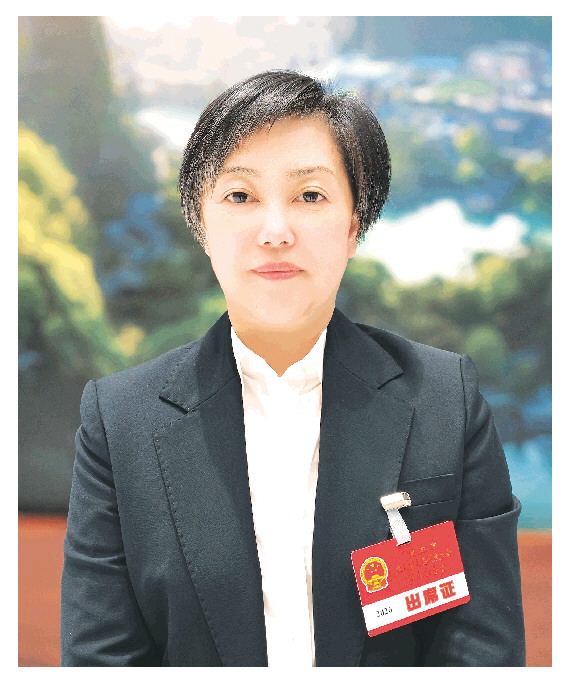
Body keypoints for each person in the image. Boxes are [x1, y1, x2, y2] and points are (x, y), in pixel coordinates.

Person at [60, 70, 525, 667]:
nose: (275, 232)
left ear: (354, 225)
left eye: (310, 196)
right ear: (201, 224)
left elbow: (482, 652)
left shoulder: (444, 401)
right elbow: (101, 659)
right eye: (240, 196)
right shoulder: (120, 421)